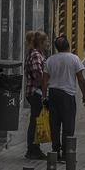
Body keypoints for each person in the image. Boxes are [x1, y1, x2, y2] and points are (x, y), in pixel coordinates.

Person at [44, 35, 85, 162]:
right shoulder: (74, 59)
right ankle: (66, 153)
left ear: (56, 47)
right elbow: (80, 78)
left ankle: (55, 150)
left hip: (53, 93)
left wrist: (44, 96)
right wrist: (84, 95)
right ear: (69, 45)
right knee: (68, 125)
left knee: (54, 123)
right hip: (67, 95)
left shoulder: (50, 60)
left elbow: (45, 80)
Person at [23, 30, 49, 160]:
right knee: (35, 121)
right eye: (46, 41)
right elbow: (38, 76)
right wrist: (46, 84)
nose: (48, 44)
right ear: (41, 42)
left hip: (35, 92)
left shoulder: (37, 54)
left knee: (36, 120)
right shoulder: (35, 55)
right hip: (35, 92)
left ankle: (34, 148)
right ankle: (32, 149)